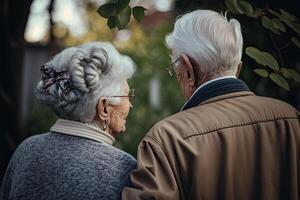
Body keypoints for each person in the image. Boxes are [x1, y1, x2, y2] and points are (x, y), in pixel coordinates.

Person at [122, 9, 300, 200]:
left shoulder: (168, 138)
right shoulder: (291, 120)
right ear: (237, 68)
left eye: (175, 69)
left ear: (188, 70)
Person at [0, 42, 136, 200]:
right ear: (104, 108)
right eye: (127, 96)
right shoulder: (124, 167)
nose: (131, 104)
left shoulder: (26, 150)